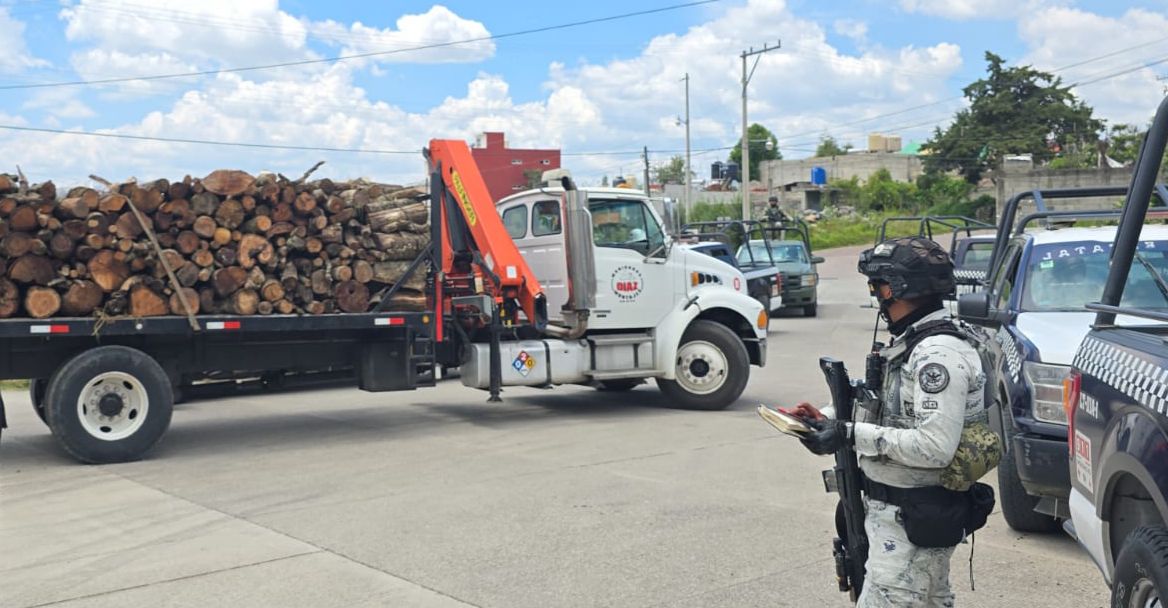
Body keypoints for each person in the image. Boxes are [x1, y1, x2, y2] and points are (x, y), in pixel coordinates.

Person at [788, 237, 992, 607]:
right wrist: (828, 419)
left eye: (877, 284)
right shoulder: (911, 342)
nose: (875, 293)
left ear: (899, 288)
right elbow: (888, 407)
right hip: (897, 519)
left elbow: (934, 448)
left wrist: (848, 435)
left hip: (911, 522)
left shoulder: (937, 355)